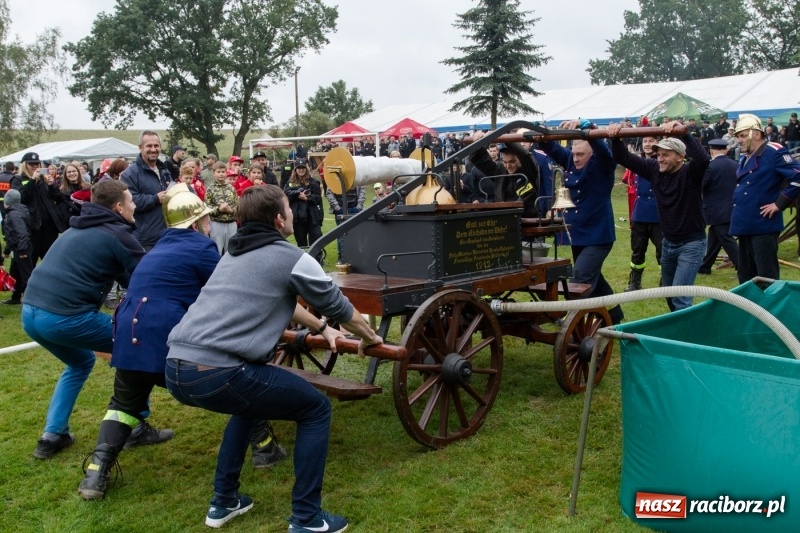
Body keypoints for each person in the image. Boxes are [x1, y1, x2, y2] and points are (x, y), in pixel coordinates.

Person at [165, 185, 383, 530]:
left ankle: (223, 503)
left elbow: (285, 300)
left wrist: (322, 327)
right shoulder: (291, 257)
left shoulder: (233, 255)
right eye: (289, 210)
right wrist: (370, 337)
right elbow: (340, 306)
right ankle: (308, 518)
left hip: (176, 367)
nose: (294, 215)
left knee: (247, 408)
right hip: (219, 371)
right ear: (280, 219)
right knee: (315, 409)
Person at [77, 185, 218, 500]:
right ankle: (263, 446)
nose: (209, 225)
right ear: (195, 224)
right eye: (206, 220)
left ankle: (95, 473)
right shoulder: (202, 247)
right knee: (227, 383)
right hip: (162, 333)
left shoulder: (157, 246)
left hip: (129, 329)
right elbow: (221, 294)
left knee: (123, 405)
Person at [21, 181, 171, 459]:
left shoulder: (75, 228)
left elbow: (130, 278)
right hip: (64, 317)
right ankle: (134, 427)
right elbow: (149, 276)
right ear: (118, 207)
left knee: (80, 363)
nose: (135, 205)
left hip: (30, 313)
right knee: (133, 346)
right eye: (130, 201)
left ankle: (52, 435)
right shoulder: (118, 235)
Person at [608, 121, 710, 311]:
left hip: (691, 244)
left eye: (666, 155)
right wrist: (616, 138)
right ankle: (678, 329)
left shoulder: (690, 173)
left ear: (680, 157)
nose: (660, 159)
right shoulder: (654, 169)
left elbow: (703, 159)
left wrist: (684, 134)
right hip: (668, 243)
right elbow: (623, 157)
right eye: (659, 154)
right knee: (668, 293)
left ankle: (683, 337)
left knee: (680, 297)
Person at [537, 120, 624, 324]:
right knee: (596, 280)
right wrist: (538, 131)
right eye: (574, 154)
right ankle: (614, 315)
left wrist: (588, 128)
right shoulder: (570, 160)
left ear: (591, 153)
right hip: (578, 235)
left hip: (598, 237)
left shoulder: (603, 164)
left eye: (580, 155)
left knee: (579, 280)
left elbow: (602, 148)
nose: (575, 159)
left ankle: (574, 327)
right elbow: (550, 147)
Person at [729, 114, 800, 282]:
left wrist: (779, 204)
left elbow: (798, 176)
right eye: (738, 136)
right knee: (746, 277)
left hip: (763, 224)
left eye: (743, 135)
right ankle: (748, 308)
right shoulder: (746, 156)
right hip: (745, 223)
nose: (739, 140)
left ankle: (769, 309)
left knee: (766, 277)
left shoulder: (773, 151)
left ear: (757, 134)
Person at [12, 152, 69, 263]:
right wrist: (32, 181)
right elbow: (21, 198)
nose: (35, 166)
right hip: (31, 228)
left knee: (51, 262)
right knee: (30, 262)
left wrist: (52, 186)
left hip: (48, 228)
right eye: (31, 164)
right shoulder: (18, 179)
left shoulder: (43, 179)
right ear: (24, 165)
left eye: (37, 164)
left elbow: (59, 199)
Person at [120, 131, 171, 250]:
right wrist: (155, 199)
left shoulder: (164, 171)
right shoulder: (130, 174)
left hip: (167, 235)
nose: (153, 149)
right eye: (149, 146)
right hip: (145, 239)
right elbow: (128, 202)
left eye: (156, 146)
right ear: (140, 147)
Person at [623, 135, 662, 291]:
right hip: (640, 214)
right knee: (637, 251)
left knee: (662, 251)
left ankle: (666, 280)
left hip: (658, 214)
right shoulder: (638, 162)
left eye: (651, 141)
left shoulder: (661, 161)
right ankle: (635, 281)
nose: (647, 144)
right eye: (645, 141)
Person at [698, 138, 740, 275]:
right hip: (731, 206)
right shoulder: (735, 164)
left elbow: (702, 186)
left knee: (727, 239)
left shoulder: (711, 166)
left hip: (715, 209)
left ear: (711, 151)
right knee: (715, 238)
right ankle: (705, 266)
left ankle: (743, 265)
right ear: (726, 150)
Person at [284, 159, 324, 261]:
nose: (301, 170)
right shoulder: (290, 183)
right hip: (298, 217)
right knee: (301, 242)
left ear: (306, 169)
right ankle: (303, 262)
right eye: (299, 168)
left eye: (303, 168)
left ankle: (317, 261)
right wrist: (297, 193)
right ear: (295, 169)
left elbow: (318, 198)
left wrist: (307, 198)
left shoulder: (314, 182)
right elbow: (286, 193)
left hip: (312, 216)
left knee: (316, 239)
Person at [2, 189, 33, 305]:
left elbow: (22, 233)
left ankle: (31, 299)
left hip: (21, 249)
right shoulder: (17, 212)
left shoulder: (14, 214)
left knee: (26, 274)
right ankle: (15, 297)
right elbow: (12, 234)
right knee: (15, 272)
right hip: (17, 247)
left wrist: (22, 250)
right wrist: (7, 250)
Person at [205, 161, 238, 255]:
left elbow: (237, 204)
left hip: (231, 222)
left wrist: (231, 210)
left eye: (223, 172)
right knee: (217, 249)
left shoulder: (231, 188)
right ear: (214, 173)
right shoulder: (210, 189)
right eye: (218, 172)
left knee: (231, 249)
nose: (221, 174)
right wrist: (219, 210)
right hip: (216, 223)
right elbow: (207, 206)